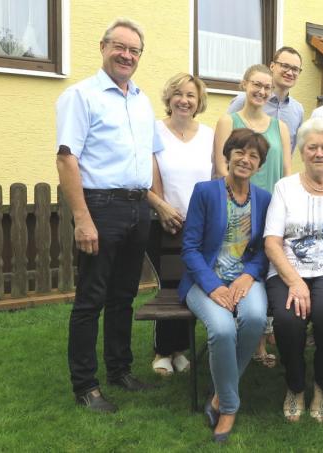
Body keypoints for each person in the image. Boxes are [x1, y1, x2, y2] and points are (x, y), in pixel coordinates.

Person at [56, 18, 161, 413]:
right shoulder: (81, 96)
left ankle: (120, 371)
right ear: (103, 47)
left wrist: (155, 203)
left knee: (123, 296)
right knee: (90, 299)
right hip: (100, 207)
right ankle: (86, 386)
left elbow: (148, 157)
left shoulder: (141, 99)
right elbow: (67, 160)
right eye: (120, 47)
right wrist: (83, 219)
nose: (127, 55)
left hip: (138, 206)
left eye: (134, 50)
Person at [179, 128, 272, 443]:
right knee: (222, 329)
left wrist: (249, 275)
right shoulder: (205, 192)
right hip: (205, 280)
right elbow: (190, 247)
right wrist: (212, 286)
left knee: (256, 318)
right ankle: (229, 406)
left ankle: (218, 394)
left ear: (259, 165)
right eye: (239, 152)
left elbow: (263, 250)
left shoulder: (264, 198)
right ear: (228, 156)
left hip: (245, 278)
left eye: (253, 156)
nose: (245, 160)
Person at [263, 118, 323, 423]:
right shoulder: (285, 187)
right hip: (289, 268)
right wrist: (294, 281)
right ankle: (295, 386)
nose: (319, 153)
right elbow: (273, 242)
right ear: (302, 152)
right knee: (289, 320)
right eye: (312, 147)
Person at [215, 64, 292, 367]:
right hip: (237, 208)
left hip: (271, 208)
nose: (261, 92)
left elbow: (286, 170)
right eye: (256, 85)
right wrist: (236, 202)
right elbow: (221, 166)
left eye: (267, 87)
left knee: (263, 269)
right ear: (244, 84)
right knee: (241, 263)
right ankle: (240, 333)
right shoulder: (228, 120)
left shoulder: (279, 127)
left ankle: (259, 343)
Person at [146, 72, 213, 376]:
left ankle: (180, 349)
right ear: (169, 98)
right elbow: (151, 176)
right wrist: (163, 210)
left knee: (192, 285)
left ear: (199, 101)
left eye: (191, 96)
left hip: (200, 227)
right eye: (179, 94)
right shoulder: (154, 132)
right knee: (169, 287)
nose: (184, 100)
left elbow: (214, 179)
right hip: (164, 222)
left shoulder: (210, 135)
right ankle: (162, 351)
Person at [227, 46, 304, 152]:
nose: (290, 73)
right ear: (272, 66)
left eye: (295, 69)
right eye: (285, 66)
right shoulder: (244, 101)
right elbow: (225, 141)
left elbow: (290, 151)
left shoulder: (298, 110)